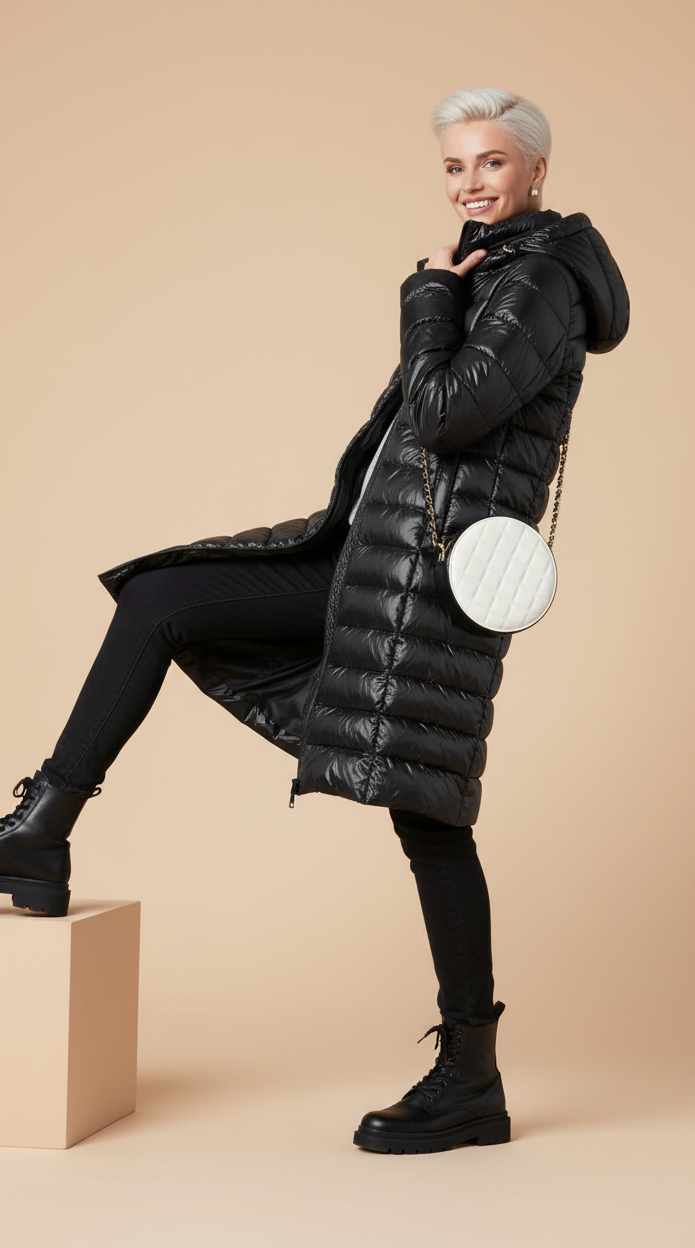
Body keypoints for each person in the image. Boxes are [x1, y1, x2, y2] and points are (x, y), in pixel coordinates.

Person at [0, 87, 629, 1153]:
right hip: (375, 558)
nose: (470, 184)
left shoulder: (541, 279)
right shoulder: (498, 269)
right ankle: (40, 831)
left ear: (535, 172)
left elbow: (445, 414)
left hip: (422, 579)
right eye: (454, 166)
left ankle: (470, 1074)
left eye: (490, 163)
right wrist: (445, 292)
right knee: (168, 603)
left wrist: (427, 297)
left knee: (428, 813)